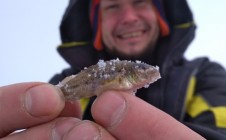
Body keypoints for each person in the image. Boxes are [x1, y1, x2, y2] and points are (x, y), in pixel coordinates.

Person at [1, 0, 226, 139]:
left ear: (161, 15)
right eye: (112, 6)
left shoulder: (205, 74)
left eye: (140, 1)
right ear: (96, 25)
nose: (129, 17)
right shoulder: (61, 82)